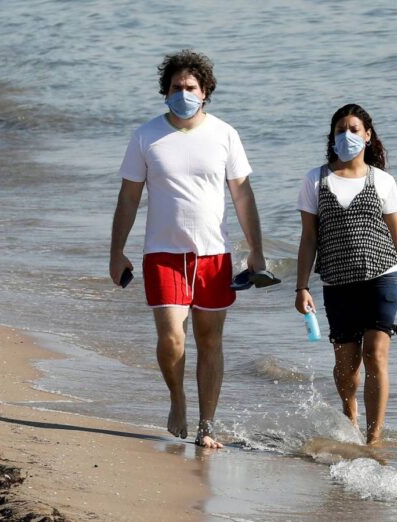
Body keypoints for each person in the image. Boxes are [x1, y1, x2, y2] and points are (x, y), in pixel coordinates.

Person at [110, 49, 266, 449]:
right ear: (165, 92)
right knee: (172, 338)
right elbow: (128, 198)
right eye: (177, 87)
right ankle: (177, 399)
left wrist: (256, 251)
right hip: (162, 253)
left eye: (191, 87)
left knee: (210, 341)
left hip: (214, 255)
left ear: (205, 91)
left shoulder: (225, 135)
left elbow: (243, 197)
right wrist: (116, 251)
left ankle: (207, 424)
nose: (184, 93)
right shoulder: (146, 136)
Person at [295, 103, 397, 445]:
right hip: (337, 283)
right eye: (340, 130)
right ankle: (350, 414)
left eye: (354, 129)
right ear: (332, 137)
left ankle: (373, 439)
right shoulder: (315, 180)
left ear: (368, 135)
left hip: (382, 278)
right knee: (347, 369)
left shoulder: (383, 181)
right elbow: (308, 238)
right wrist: (301, 287)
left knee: (375, 355)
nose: (347, 135)